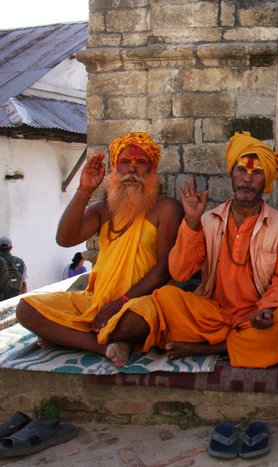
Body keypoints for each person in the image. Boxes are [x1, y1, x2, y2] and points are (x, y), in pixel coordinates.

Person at [125, 131, 278, 368]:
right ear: (231, 174)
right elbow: (180, 273)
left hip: (252, 316)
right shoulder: (207, 220)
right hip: (210, 314)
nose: (247, 179)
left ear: (265, 181)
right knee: (166, 298)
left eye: (256, 173)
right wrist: (192, 223)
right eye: (241, 170)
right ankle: (232, 343)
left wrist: (267, 309)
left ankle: (207, 348)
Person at [16, 132, 183, 367]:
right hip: (97, 301)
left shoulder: (166, 209)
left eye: (140, 162)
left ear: (152, 170)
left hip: (142, 301)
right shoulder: (102, 209)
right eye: (125, 162)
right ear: (115, 168)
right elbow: (65, 239)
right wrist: (84, 190)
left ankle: (70, 336)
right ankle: (105, 346)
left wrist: (122, 301)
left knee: (136, 322)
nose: (132, 169)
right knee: (26, 310)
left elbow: (165, 269)